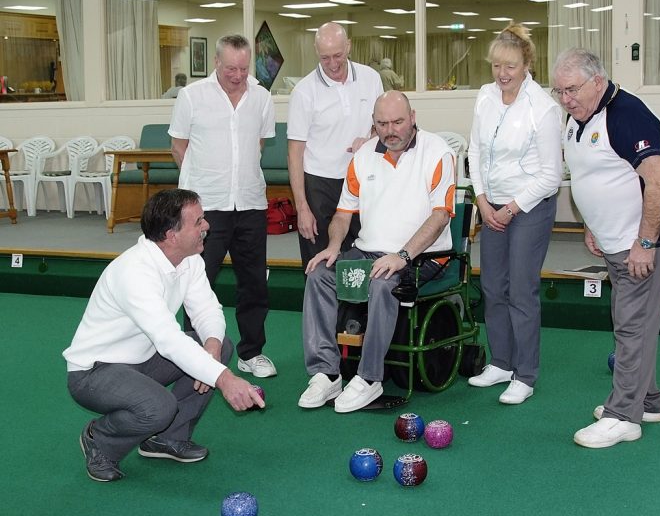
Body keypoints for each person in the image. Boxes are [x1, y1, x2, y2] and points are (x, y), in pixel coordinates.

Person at [63, 189, 265, 482]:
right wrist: (224, 378)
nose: (206, 226)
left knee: (219, 346)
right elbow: (168, 340)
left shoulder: (189, 258)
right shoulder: (134, 272)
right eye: (198, 222)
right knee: (158, 407)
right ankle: (100, 440)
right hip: (94, 372)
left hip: (143, 358)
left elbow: (207, 308)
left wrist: (211, 346)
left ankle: (166, 439)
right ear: (172, 235)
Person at [550, 48, 660, 449]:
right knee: (634, 322)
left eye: (571, 89)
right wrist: (591, 224)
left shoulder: (628, 114)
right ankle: (649, 401)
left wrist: (645, 243)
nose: (565, 98)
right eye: (558, 91)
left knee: (631, 325)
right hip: (614, 240)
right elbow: (591, 176)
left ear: (597, 80)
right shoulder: (577, 119)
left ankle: (623, 414)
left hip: (643, 242)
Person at [299, 91, 455, 414]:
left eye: (398, 121)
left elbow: (440, 217)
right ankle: (326, 373)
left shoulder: (437, 152)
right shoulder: (363, 156)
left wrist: (403, 255)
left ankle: (370, 378)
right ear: (373, 123)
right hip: (367, 253)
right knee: (319, 274)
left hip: (424, 258)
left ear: (412, 118)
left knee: (385, 282)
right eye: (382, 123)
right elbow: (343, 214)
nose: (390, 130)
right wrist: (332, 247)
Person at [169, 34, 278, 379]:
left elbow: (257, 144)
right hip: (206, 208)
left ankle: (251, 352)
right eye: (231, 67)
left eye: (244, 68)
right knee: (199, 282)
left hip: (249, 203)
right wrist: (199, 192)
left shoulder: (261, 97)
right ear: (216, 62)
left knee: (254, 283)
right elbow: (178, 147)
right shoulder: (191, 97)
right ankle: (194, 353)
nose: (237, 75)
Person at [466, 22, 562, 406]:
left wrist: (509, 208)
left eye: (510, 66)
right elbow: (475, 148)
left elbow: (551, 176)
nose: (502, 74)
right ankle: (501, 362)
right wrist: (483, 200)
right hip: (492, 208)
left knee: (522, 291)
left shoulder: (544, 107)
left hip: (530, 208)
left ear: (526, 64)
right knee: (492, 287)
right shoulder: (485, 97)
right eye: (496, 66)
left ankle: (525, 373)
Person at [287, 22, 384, 271]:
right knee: (319, 260)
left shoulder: (371, 78)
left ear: (349, 46)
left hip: (361, 179)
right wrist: (302, 209)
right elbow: (295, 153)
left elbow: (382, 126)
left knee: (361, 256)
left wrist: (371, 138)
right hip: (319, 183)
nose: (332, 64)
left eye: (338, 55)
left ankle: (356, 311)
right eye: (325, 57)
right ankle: (319, 310)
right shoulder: (304, 91)